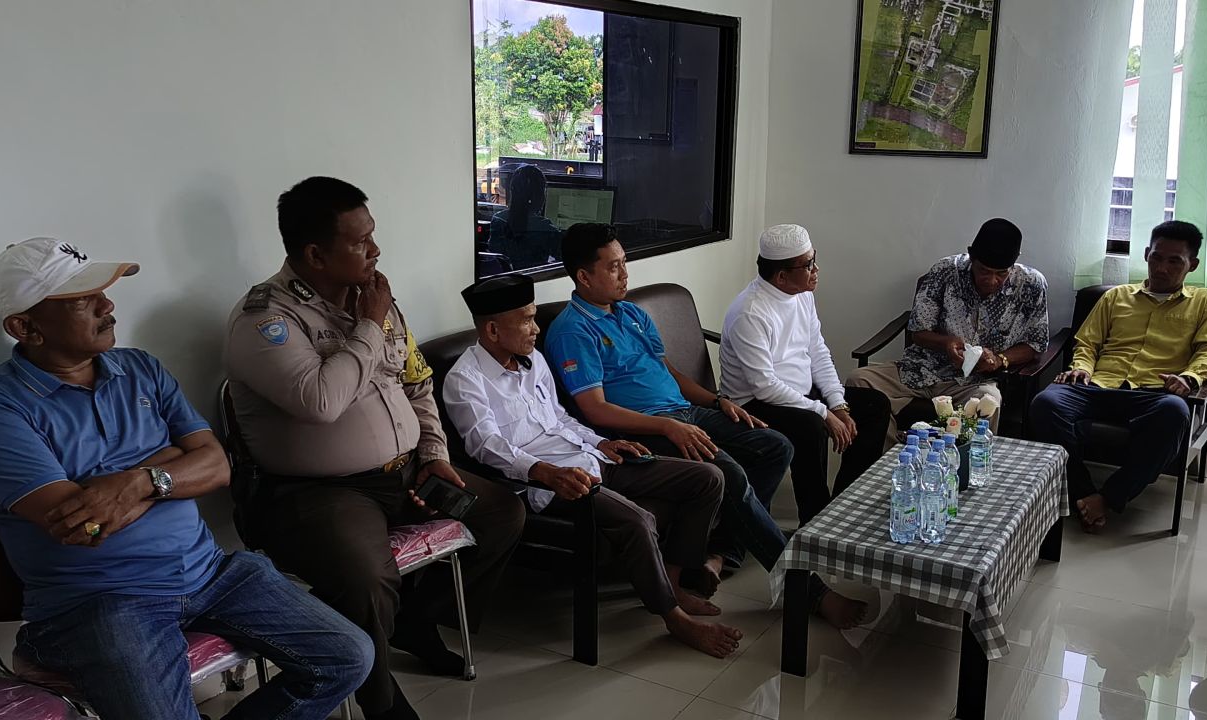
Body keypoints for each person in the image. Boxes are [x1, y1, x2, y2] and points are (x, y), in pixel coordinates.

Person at [0, 238, 372, 720]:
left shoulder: (141, 368)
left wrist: (135, 482)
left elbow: (217, 465)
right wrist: (175, 461)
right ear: (25, 327)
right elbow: (83, 524)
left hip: (210, 572)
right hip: (101, 601)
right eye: (83, 300)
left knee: (347, 657)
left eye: (103, 293)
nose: (108, 307)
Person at [223, 177, 525, 720]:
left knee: (502, 512)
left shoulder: (376, 299)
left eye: (373, 235)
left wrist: (434, 454)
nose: (376, 250)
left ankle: (412, 620)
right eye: (360, 242)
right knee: (365, 577)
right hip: (319, 493)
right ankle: (380, 700)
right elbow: (320, 401)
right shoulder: (265, 319)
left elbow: (417, 382)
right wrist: (367, 325)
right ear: (315, 255)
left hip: (405, 472)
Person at [542, 223, 868, 628]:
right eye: (613, 267)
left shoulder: (630, 313)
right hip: (642, 431)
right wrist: (666, 428)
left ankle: (723, 551)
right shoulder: (573, 331)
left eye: (624, 263)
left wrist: (717, 401)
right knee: (729, 473)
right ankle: (810, 592)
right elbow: (596, 411)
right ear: (584, 276)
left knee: (775, 445)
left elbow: (668, 373)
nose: (625, 274)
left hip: (686, 412)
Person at [443, 274, 745, 658]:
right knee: (638, 519)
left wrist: (602, 442)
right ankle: (674, 617)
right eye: (527, 320)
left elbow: (559, 419)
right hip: (553, 483)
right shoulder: (465, 380)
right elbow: (485, 446)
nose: (536, 329)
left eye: (534, 318)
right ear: (492, 329)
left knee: (708, 477)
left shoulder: (533, 361)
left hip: (591, 457)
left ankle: (671, 581)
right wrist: (545, 472)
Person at [1028, 220, 1207, 532]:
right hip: (1098, 384)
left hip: (1155, 392)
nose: (1161, 268)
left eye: (1174, 261)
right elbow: (1087, 343)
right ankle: (1082, 493)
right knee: (1047, 403)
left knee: (1175, 412)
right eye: (1156, 257)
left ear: (1193, 264)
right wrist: (1082, 367)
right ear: (1146, 254)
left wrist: (1189, 378)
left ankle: (1109, 497)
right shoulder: (1116, 296)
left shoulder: (1206, 302)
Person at [719, 224, 890, 524]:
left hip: (799, 391)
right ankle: (815, 519)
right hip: (753, 403)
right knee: (811, 426)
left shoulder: (802, 294)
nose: (816, 270)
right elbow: (765, 386)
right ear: (781, 276)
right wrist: (823, 412)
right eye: (808, 264)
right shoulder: (750, 313)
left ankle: (844, 504)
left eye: (814, 259)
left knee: (875, 405)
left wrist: (837, 403)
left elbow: (817, 351)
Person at [846, 218, 1049, 437]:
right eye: (984, 271)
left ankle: (967, 459)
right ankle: (889, 455)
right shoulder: (945, 271)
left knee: (988, 401)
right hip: (921, 369)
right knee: (859, 381)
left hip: (974, 382)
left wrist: (1000, 359)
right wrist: (946, 343)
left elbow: (1036, 344)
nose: (991, 280)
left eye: (1001, 273)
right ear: (971, 256)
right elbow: (918, 332)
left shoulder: (1031, 285)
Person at [489, 164, 563, 269]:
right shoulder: (545, 228)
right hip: (535, 277)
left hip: (504, 278)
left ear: (512, 192)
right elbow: (564, 256)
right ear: (539, 196)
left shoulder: (498, 220)